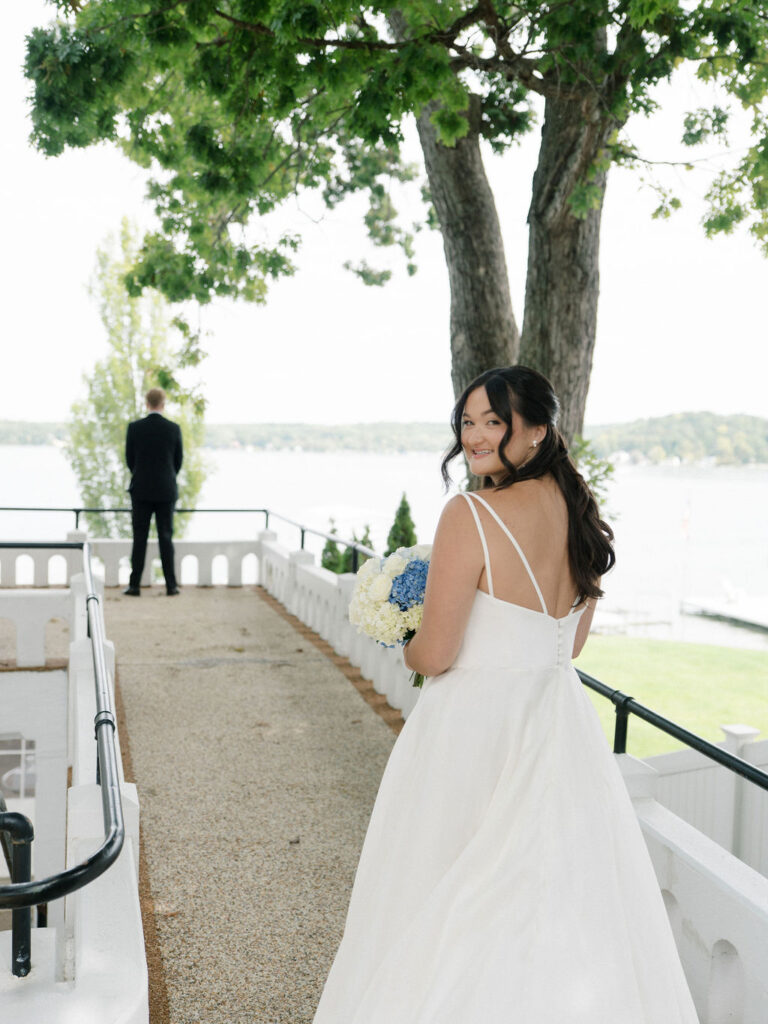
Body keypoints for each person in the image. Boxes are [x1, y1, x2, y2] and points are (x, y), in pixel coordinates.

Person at [313, 366, 699, 1023]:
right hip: (560, 726)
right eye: (468, 422)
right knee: (554, 908)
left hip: (474, 731)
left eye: (495, 421)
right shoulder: (581, 516)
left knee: (438, 898)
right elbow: (568, 647)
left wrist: (403, 637)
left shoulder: (470, 513)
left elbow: (437, 655)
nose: (476, 435)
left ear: (539, 430)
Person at [123, 387, 183, 596]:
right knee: (166, 537)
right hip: (166, 491)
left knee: (139, 538)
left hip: (141, 490)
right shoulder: (173, 429)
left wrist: (142, 476)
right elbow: (178, 462)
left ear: (146, 403)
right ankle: (171, 586)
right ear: (163, 404)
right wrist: (165, 477)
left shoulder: (135, 428)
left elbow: (130, 460)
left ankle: (134, 585)